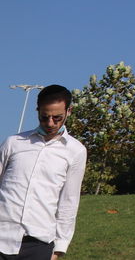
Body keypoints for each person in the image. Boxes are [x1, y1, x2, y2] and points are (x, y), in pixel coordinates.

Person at [0, 85, 87, 259]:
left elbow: (69, 202)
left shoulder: (76, 151)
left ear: (69, 111)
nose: (50, 123)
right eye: (44, 117)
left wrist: (59, 249)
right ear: (38, 110)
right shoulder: (14, 143)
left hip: (39, 244)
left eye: (57, 118)